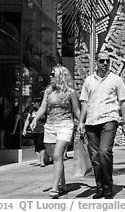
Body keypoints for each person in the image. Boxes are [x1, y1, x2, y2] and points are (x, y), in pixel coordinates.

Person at [78, 51, 125, 199]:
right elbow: (85, 103)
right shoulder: (88, 81)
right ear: (97, 63)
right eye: (102, 61)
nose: (105, 64)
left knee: (104, 152)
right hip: (91, 122)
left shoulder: (116, 80)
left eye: (107, 61)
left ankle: (108, 187)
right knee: (94, 157)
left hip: (109, 119)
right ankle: (99, 186)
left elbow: (123, 101)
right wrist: (81, 122)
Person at [31, 65, 80, 199]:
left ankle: (55, 188)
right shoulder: (48, 91)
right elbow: (43, 107)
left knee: (58, 155)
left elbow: (76, 110)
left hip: (65, 125)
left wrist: (81, 123)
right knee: (55, 158)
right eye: (50, 74)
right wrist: (35, 119)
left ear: (60, 76)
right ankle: (63, 184)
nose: (50, 77)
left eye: (53, 74)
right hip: (50, 126)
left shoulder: (70, 92)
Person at [23, 99, 46, 167]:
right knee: (36, 145)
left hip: (42, 129)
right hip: (34, 130)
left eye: (35, 103)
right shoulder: (32, 110)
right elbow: (27, 120)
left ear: (38, 103)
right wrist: (24, 129)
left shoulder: (43, 110)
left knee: (40, 144)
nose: (34, 104)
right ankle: (38, 160)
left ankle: (42, 161)